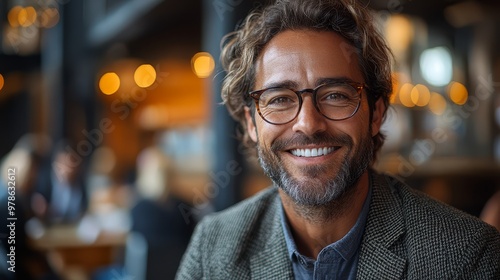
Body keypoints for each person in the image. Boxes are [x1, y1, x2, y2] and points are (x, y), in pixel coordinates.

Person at [176, 0, 500, 279]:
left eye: (335, 95)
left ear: (376, 114)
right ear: (251, 123)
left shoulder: (466, 255)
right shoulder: (212, 247)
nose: (308, 124)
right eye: (279, 99)